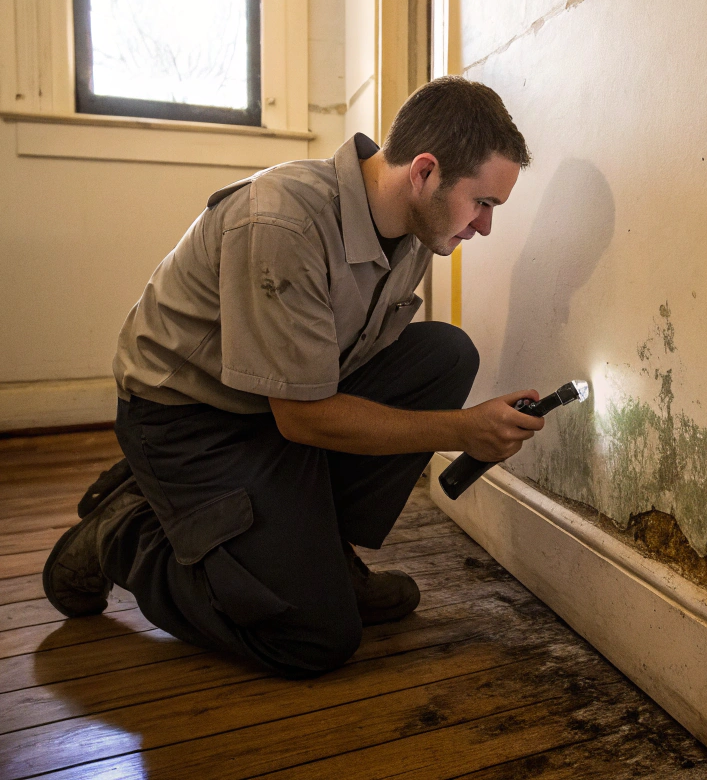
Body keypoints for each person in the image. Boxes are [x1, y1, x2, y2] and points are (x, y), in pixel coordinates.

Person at [43, 75, 545, 678]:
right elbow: (303, 417)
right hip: (186, 420)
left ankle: (325, 555)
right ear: (424, 172)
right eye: (483, 202)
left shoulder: (415, 230)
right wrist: (462, 431)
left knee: (446, 355)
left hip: (275, 405)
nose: (485, 225)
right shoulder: (283, 221)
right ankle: (127, 533)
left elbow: (317, 385)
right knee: (314, 637)